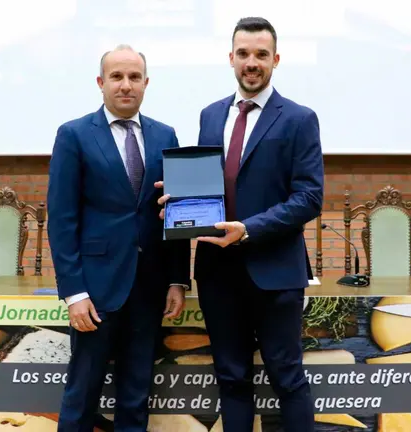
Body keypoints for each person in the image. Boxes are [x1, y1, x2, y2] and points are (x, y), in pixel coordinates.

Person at [157, 16, 324, 432]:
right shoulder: (211, 115)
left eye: (261, 55)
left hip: (275, 272)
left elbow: (309, 197)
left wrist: (248, 228)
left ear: (275, 60)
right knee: (231, 379)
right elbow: (207, 185)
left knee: (287, 378)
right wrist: (179, 202)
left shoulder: (299, 118)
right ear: (231, 58)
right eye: (244, 54)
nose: (252, 62)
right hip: (218, 272)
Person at [47, 44, 191, 432]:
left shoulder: (165, 135)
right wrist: (74, 293)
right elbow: (61, 220)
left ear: (146, 83)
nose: (125, 85)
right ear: (101, 82)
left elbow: (176, 213)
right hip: (95, 291)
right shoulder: (74, 135)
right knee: (82, 394)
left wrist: (177, 279)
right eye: (116, 77)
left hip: (149, 288)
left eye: (134, 77)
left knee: (135, 395)